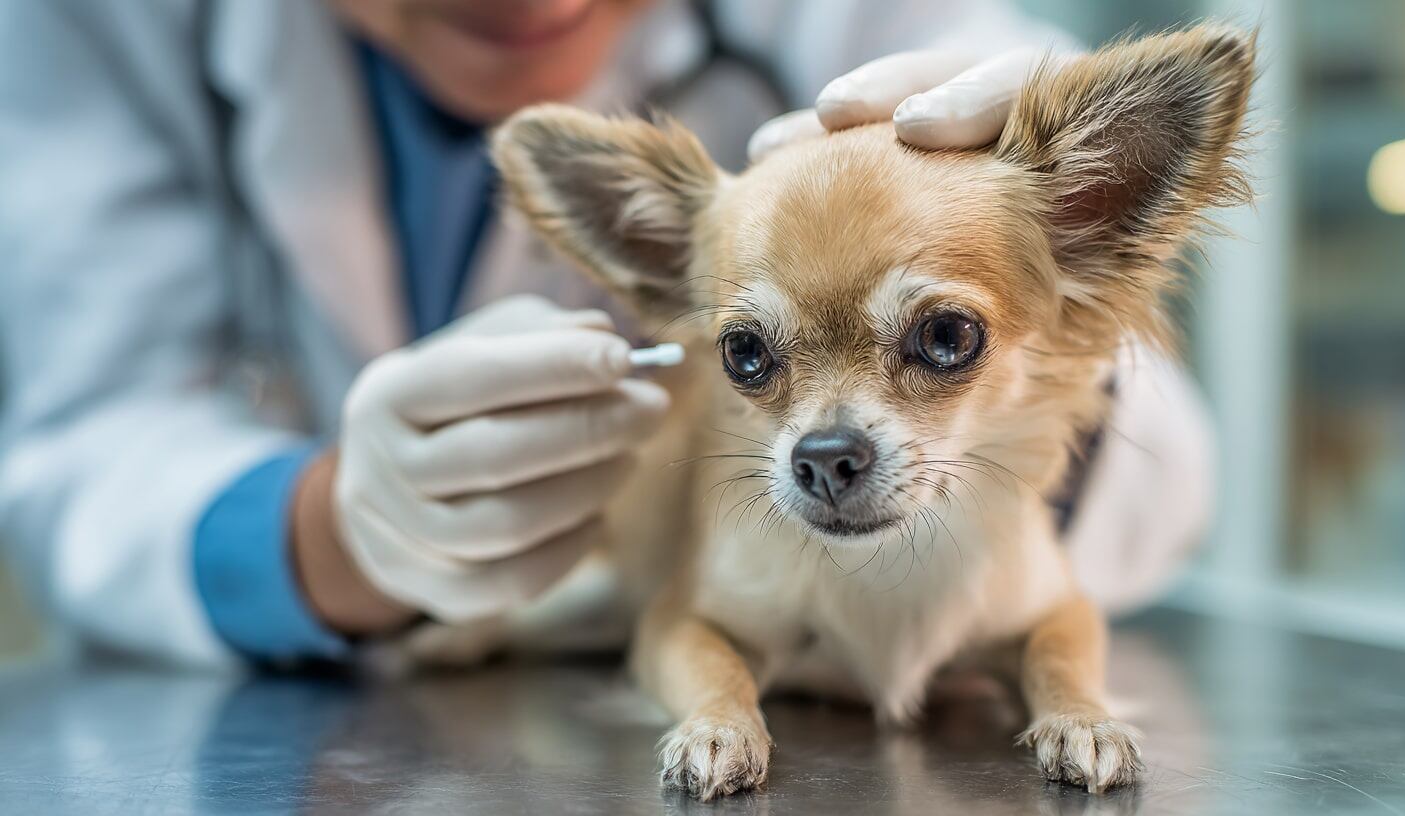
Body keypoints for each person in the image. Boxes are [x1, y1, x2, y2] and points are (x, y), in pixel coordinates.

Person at [0, 0, 1212, 668]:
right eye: (753, 357)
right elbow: (87, 437)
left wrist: (1048, 271)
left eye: (936, 339)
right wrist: (322, 531)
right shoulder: (101, 24)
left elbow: (1173, 463)